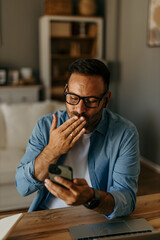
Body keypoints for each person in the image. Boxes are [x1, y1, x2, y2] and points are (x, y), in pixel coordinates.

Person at [15, 58, 140, 219]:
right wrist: (52, 151)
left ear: (106, 100)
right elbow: (23, 187)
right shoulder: (46, 126)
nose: (79, 109)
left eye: (90, 100)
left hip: (98, 219)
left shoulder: (125, 133)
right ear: (66, 91)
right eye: (73, 97)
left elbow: (127, 200)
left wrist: (91, 198)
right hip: (49, 216)